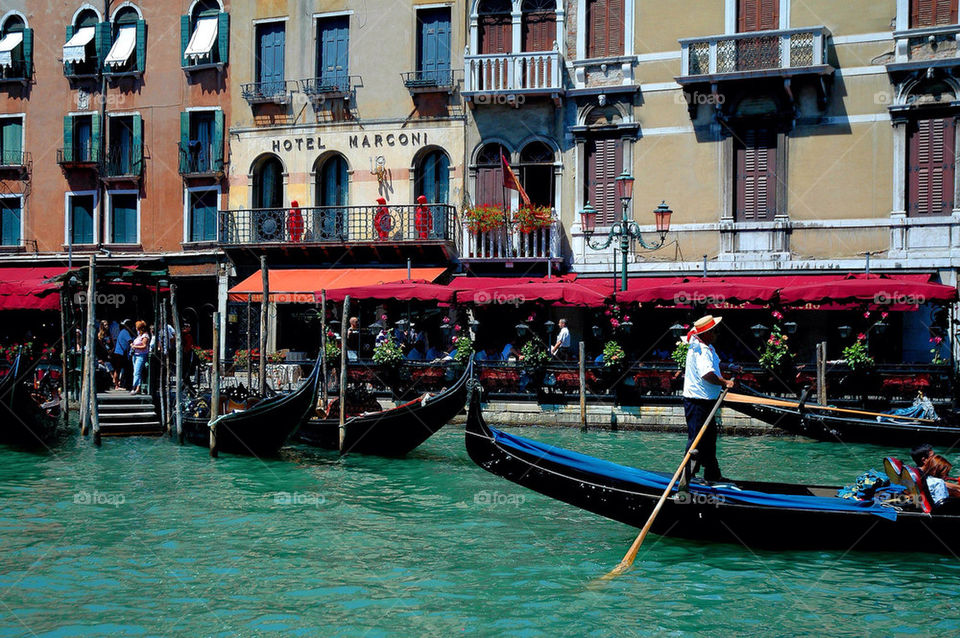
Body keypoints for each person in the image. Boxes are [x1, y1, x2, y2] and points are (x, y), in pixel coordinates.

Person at [681, 315, 735, 483]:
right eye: (715, 331)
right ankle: (687, 475)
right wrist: (725, 382)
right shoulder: (702, 350)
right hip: (698, 401)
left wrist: (730, 367)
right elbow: (707, 374)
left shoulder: (707, 347)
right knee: (697, 439)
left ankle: (712, 474)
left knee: (709, 438)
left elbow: (714, 365)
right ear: (707, 333)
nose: (717, 334)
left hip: (705, 400)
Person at [112, 320, 134, 390]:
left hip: (122, 354)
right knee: (118, 369)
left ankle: (120, 383)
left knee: (121, 369)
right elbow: (130, 342)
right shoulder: (125, 332)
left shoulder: (124, 332)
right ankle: (116, 385)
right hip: (120, 353)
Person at [130, 321, 150, 394]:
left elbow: (144, 346)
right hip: (135, 355)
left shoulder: (145, 336)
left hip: (141, 355)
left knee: (137, 371)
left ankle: (133, 387)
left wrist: (135, 346)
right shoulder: (139, 335)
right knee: (136, 372)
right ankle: (138, 388)